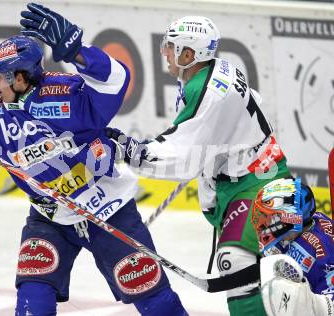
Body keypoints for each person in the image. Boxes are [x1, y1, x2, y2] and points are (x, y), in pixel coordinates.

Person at [0, 3, 188, 316]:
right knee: (32, 301)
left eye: (2, 77)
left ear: (22, 76)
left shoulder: (67, 93)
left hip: (109, 212)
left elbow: (116, 81)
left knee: (156, 301)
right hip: (50, 219)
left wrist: (78, 50)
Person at [105, 16, 291, 315]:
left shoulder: (206, 91)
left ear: (189, 54)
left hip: (257, 183)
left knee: (236, 261)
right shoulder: (212, 73)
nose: (165, 52)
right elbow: (207, 143)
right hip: (250, 177)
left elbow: (181, 154)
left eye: (171, 46)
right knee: (270, 267)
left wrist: (129, 151)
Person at [251, 177, 334, 316]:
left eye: (273, 217)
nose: (266, 223)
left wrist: (309, 303)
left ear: (291, 218)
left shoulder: (321, 252)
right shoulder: (296, 230)